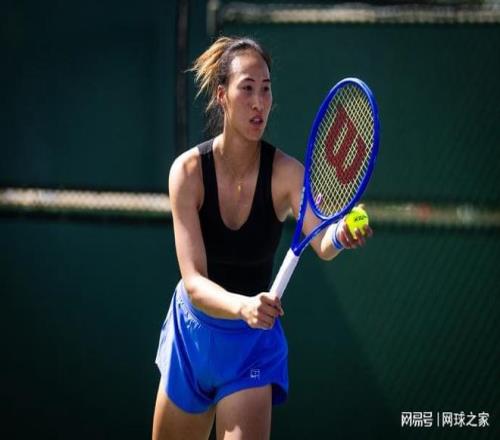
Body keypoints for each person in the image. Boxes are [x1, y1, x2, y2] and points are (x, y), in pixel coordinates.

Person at [152, 36, 372, 440]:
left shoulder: (287, 173)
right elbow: (194, 282)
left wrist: (341, 234)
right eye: (247, 88)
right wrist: (244, 307)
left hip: (251, 349)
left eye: (266, 89)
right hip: (192, 337)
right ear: (222, 95)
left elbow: (322, 243)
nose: (259, 102)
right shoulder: (187, 173)